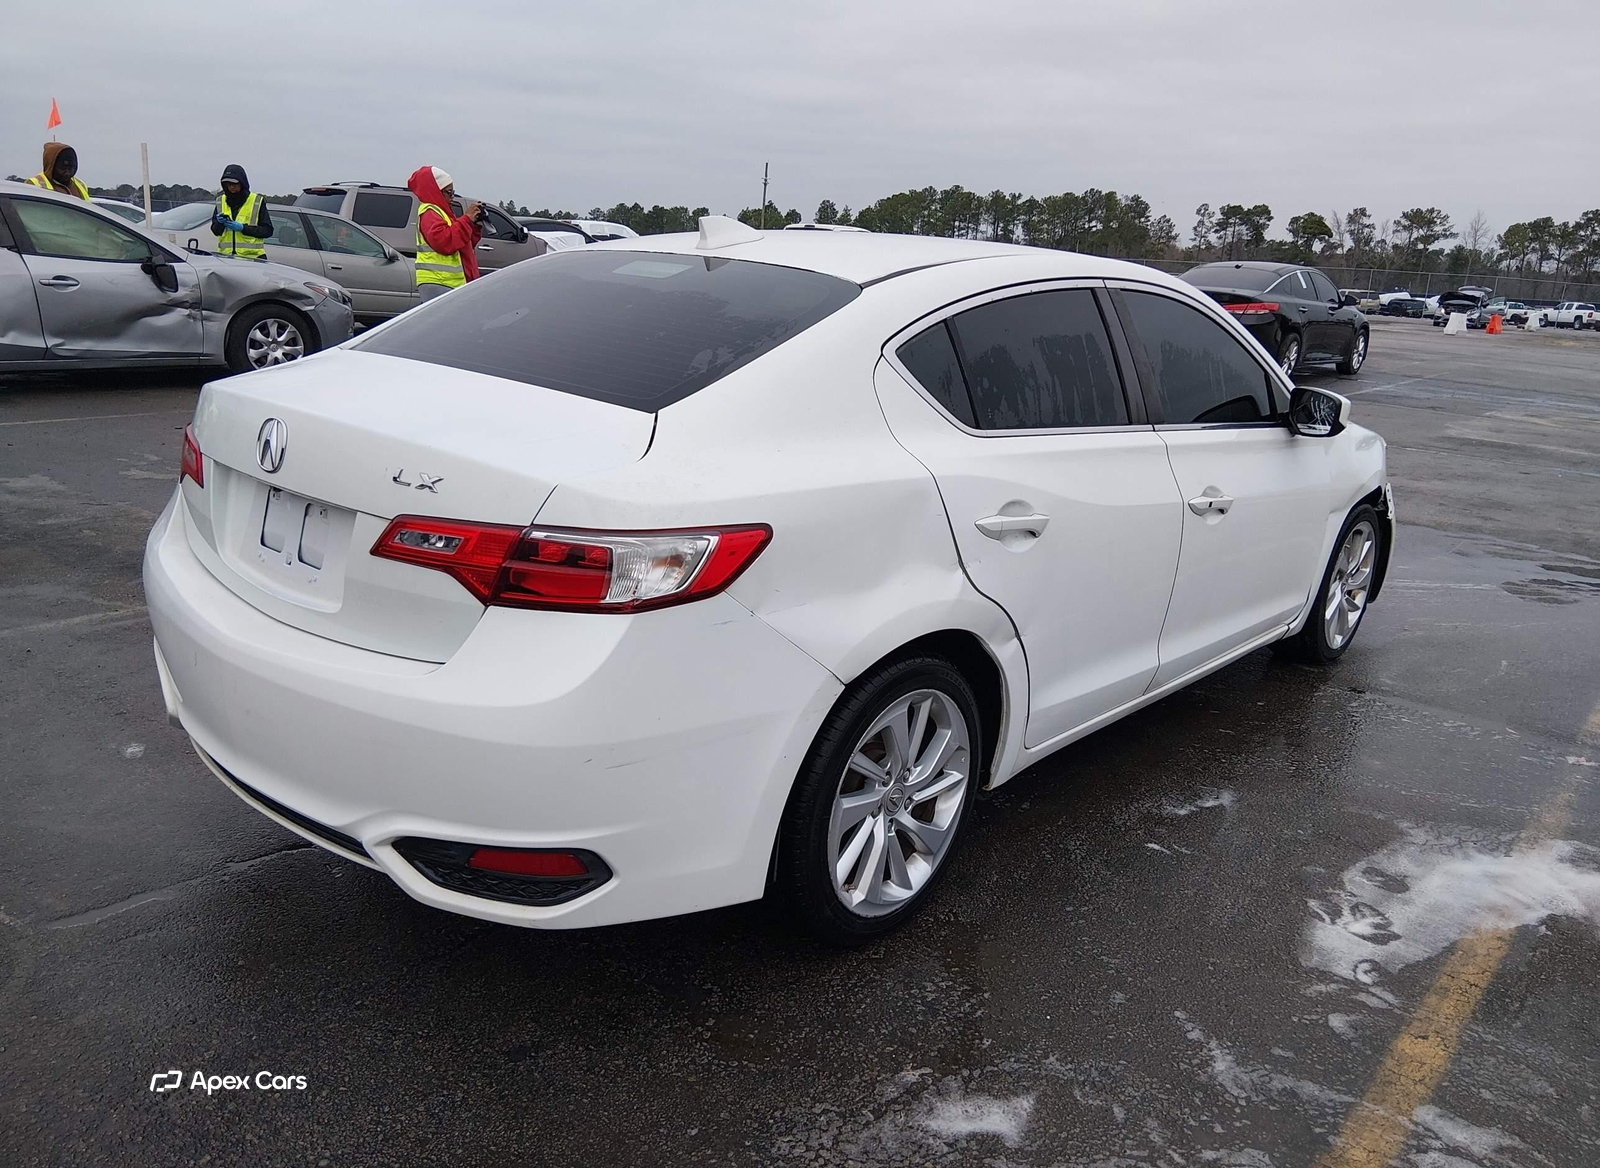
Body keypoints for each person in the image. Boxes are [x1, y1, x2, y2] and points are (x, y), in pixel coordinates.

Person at [407, 165, 482, 301]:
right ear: (435, 191)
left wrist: (473, 225)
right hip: (439, 281)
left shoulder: (442, 213)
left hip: (446, 282)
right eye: (449, 192)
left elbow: (461, 244)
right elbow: (445, 242)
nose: (452, 197)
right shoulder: (430, 213)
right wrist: (466, 220)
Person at [210, 164, 273, 260]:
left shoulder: (256, 201)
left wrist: (243, 228)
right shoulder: (220, 201)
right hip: (226, 258)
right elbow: (216, 231)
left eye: (234, 184)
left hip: (253, 259)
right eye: (228, 184)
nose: (231, 187)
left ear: (242, 183)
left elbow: (268, 231)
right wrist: (219, 223)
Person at [24, 142, 89, 199]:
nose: (67, 173)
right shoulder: (33, 184)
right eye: (62, 169)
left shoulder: (81, 185)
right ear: (51, 166)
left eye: (70, 168)